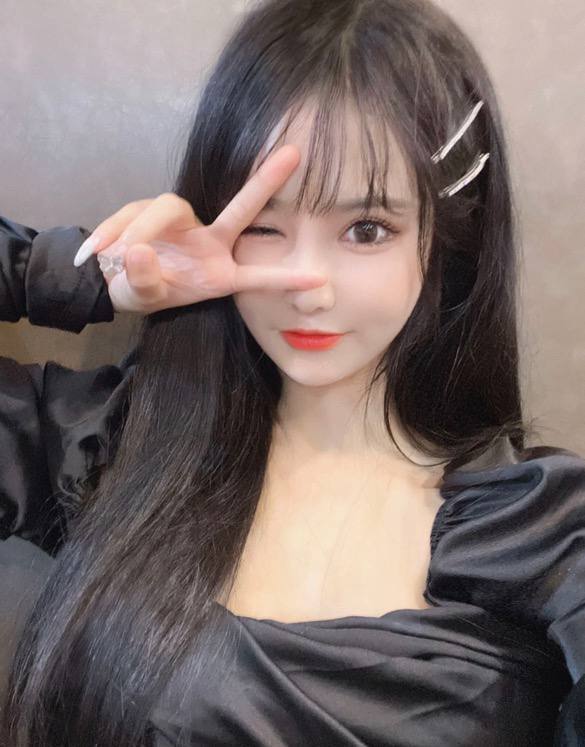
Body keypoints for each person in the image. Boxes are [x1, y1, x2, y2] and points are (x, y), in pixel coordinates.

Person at [1, 0, 584, 744]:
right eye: (262, 226)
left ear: (444, 240)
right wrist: (81, 276)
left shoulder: (542, 532)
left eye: (366, 229)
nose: (308, 284)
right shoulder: (109, 443)